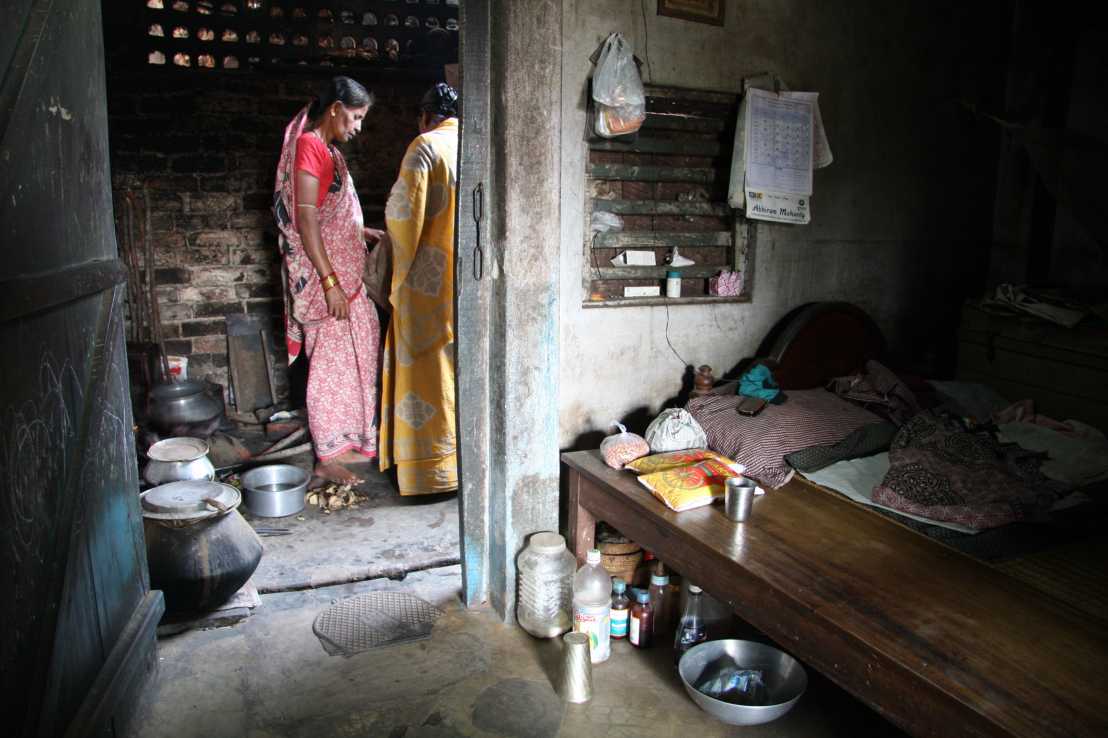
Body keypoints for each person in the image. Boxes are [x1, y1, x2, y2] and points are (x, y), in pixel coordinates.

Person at [273, 76, 383, 482]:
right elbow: (306, 222)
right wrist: (330, 282)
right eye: (355, 117)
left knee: (356, 357)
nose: (357, 127)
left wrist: (360, 230)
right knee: (329, 369)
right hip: (329, 285)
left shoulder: (328, 151)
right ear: (335, 108)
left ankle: (351, 443)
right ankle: (327, 453)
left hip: (344, 277)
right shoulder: (310, 148)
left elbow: (331, 214)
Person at [379, 83, 460, 495]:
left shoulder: (425, 146)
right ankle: (464, 468)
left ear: (425, 115)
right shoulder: (475, 144)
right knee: (461, 375)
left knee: (427, 379)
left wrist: (394, 278)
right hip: (466, 286)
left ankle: (431, 474)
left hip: (427, 286)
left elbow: (402, 217)